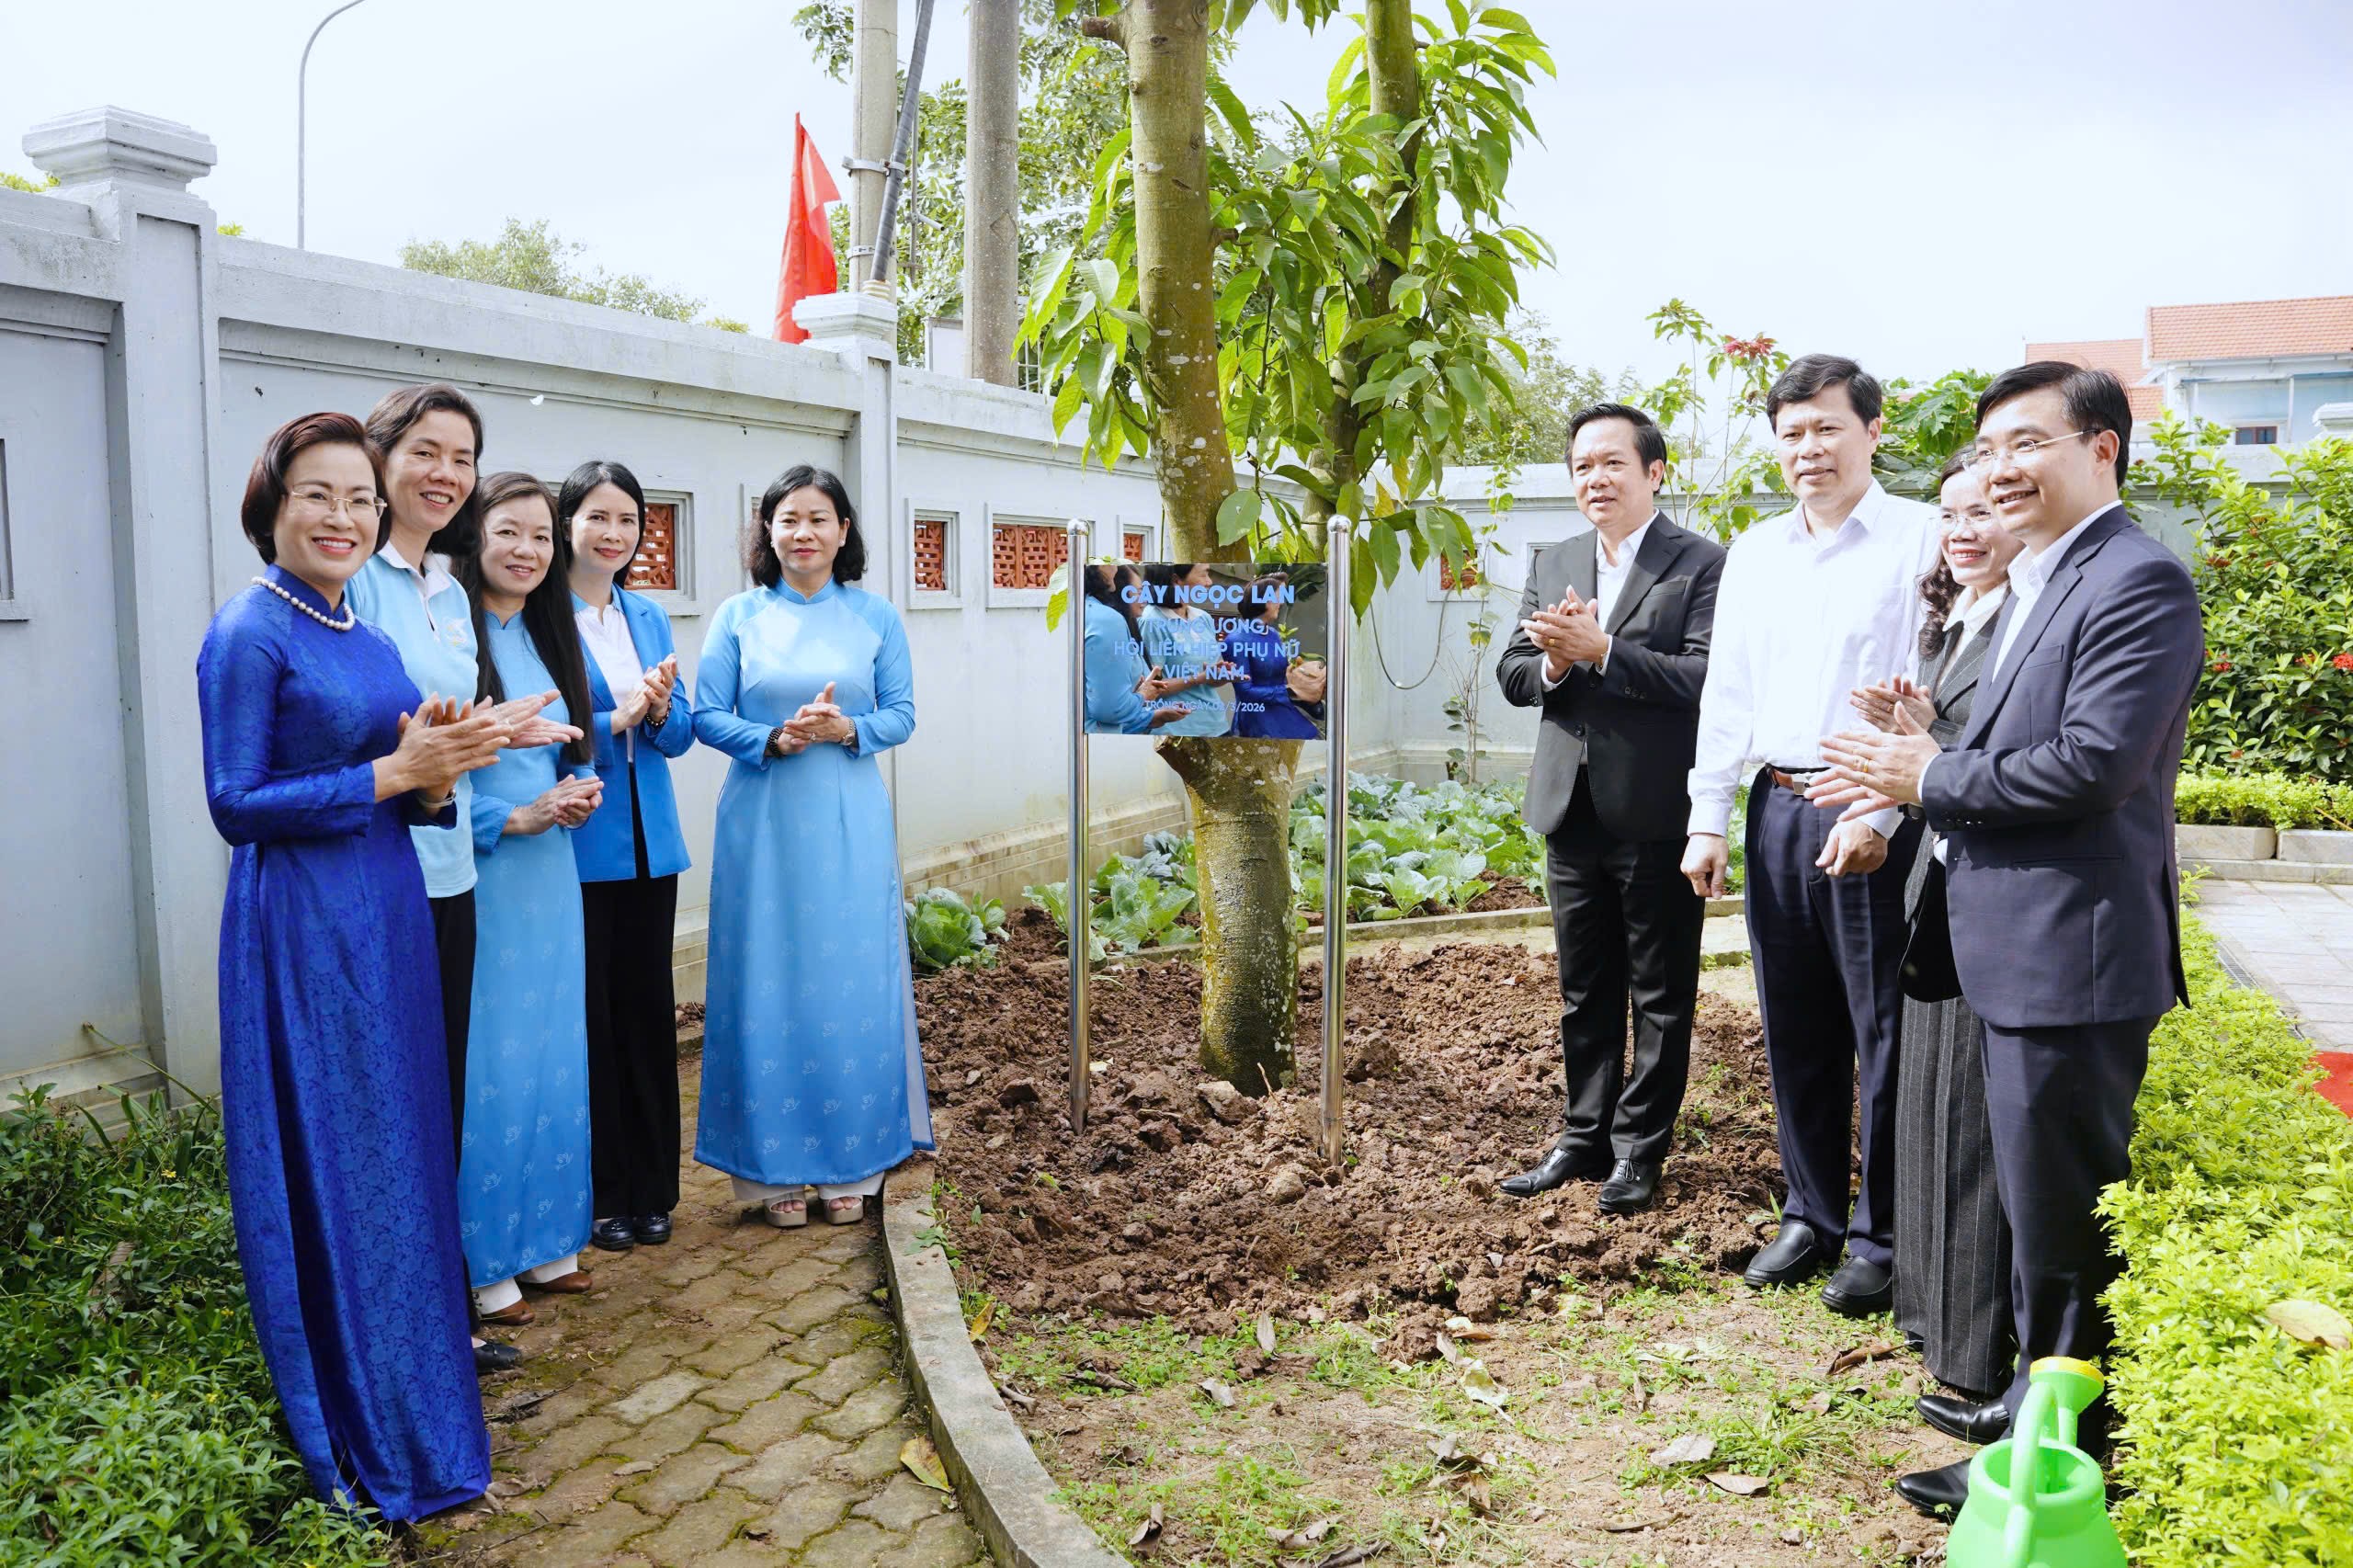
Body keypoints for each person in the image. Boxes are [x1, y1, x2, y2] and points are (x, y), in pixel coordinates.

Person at [1814, 364, 2203, 1515]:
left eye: (2025, 443)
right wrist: (1932, 737)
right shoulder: (2047, 572)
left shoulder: (2136, 578)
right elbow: (2018, 735)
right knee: (2039, 1214)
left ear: (2101, 448)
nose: (1998, 471)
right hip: (2017, 947)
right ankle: (2034, 1405)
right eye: (1987, 451)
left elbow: (2092, 764)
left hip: (2070, 956)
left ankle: (2063, 1459)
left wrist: (1926, 776)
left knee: (2064, 1220)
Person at [199, 411, 503, 1518]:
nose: (344, 516)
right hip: (304, 924)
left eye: (361, 499)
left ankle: (422, 1396)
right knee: (340, 1148)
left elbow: (410, 787)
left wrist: (437, 769)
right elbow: (235, 802)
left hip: (388, 911)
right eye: (318, 494)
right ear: (272, 505)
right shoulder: (249, 632)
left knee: (402, 1139)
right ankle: (362, 1417)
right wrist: (391, 776)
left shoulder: (365, 635)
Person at [1681, 354, 1940, 1314]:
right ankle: (1812, 1212)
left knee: (1883, 1029)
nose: (1809, 448)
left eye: (1827, 426)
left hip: (1873, 804)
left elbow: (1929, 682)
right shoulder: (1755, 550)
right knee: (1793, 1021)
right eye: (1791, 432)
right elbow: (1728, 689)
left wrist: (1878, 811)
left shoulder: (1923, 538)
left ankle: (1882, 1234)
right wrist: (1708, 816)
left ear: (1872, 430)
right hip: (1779, 804)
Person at [349, 382, 572, 1372]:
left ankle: (439, 1304)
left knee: (439, 1095)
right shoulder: (354, 579)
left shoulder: (443, 588)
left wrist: (495, 733)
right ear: (382, 456)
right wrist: (468, 738)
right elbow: (361, 726)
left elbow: (438, 732)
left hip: (448, 871)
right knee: (387, 1102)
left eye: (461, 458)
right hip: (374, 869)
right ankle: (391, 1320)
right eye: (426, 452)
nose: (445, 474)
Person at [1495, 403, 1725, 1213]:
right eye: (1582, 466)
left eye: (1612, 463)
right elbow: (1514, 672)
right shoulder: (1556, 557)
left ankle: (1639, 1150)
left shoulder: (1701, 563)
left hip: (1658, 809)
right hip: (1571, 807)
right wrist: (1557, 666)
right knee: (1583, 986)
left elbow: (1706, 679)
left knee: (1660, 992)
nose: (1596, 478)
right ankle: (1583, 1137)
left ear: (1653, 471)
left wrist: (1606, 653)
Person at [691, 464, 934, 1228]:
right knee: (764, 975)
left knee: (849, 978)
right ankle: (771, 1174)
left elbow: (902, 713)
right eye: (788, 518)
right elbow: (704, 714)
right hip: (762, 816)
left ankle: (852, 1161)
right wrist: (772, 737)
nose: (803, 532)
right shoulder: (737, 616)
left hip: (848, 815)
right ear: (767, 530)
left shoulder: (874, 616)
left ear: (843, 530)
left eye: (818, 518)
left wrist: (847, 728)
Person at [1850, 452, 2022, 1403]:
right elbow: (1952, 750)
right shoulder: (1958, 620)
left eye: (1983, 511)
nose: (1962, 530)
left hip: (1993, 899)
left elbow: (2007, 761)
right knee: (1924, 1110)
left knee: (1965, 1131)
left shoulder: (2027, 618)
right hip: (1939, 883)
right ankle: (1927, 1316)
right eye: (1950, 514)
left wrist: (1925, 745)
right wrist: (1914, 723)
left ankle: (1967, 1354)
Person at [449, 472, 604, 1325]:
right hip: (486, 872)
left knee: (553, 1049)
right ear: (474, 536)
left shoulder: (551, 634)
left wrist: (575, 796)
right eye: (508, 531)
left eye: (542, 536)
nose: (527, 550)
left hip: (551, 873)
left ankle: (548, 1237)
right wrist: (511, 818)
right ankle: (484, 1257)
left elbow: (572, 754)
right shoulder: (450, 635)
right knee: (494, 1062)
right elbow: (433, 773)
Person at [560, 460, 695, 1254]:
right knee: (592, 1018)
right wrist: (619, 716)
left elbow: (679, 737)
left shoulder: (647, 615)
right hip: (580, 842)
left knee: (649, 1014)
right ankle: (604, 1192)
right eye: (598, 517)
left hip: (652, 843)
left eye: (628, 520)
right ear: (568, 522)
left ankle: (653, 1188)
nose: (614, 534)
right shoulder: (541, 616)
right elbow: (546, 730)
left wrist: (663, 709)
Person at [1082, 562, 1185, 733]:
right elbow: (1111, 711)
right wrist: (1143, 696)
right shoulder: (1108, 621)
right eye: (1138, 591)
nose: (1114, 567)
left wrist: (1151, 718)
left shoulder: (1096, 615)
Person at [1138, 562, 1236, 737]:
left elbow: (1209, 677)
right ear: (1176, 580)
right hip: (1175, 730)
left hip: (1216, 726)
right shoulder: (1151, 621)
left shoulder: (1203, 618)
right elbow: (1149, 688)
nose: (1209, 582)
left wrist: (1222, 675)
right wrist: (1197, 678)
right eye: (1204, 574)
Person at [1225, 574, 1325, 739]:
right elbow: (1245, 692)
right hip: (1257, 717)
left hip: (1281, 709)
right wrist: (1290, 691)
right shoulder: (1236, 640)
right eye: (1278, 598)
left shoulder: (1273, 634)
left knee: (1313, 736)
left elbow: (1282, 676)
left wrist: (1305, 678)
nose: (1281, 603)